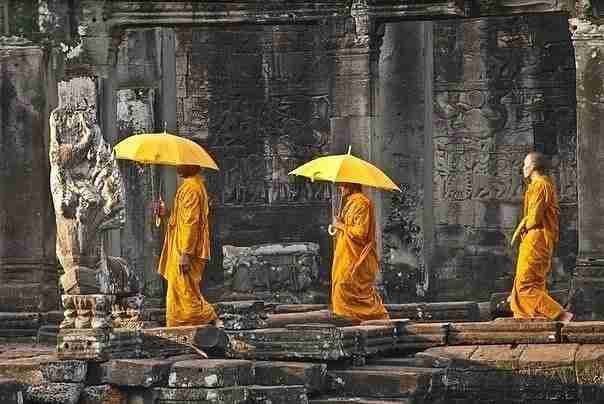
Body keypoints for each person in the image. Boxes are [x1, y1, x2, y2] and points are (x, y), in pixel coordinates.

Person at [509, 152, 573, 322]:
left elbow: (534, 219)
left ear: (533, 167)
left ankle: (560, 314)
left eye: (525, 164)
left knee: (524, 284)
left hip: (537, 238)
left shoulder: (540, 185)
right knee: (533, 283)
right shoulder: (541, 185)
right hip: (537, 239)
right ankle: (531, 319)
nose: (523, 168)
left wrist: (521, 226)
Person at [156, 164, 219, 327]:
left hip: (185, 248)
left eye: (182, 164)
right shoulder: (191, 186)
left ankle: (210, 318)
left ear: (191, 166)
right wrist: (166, 213)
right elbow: (181, 218)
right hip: (182, 244)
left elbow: (191, 222)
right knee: (180, 292)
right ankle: (181, 328)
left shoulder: (191, 188)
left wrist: (185, 253)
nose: (178, 166)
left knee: (186, 293)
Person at [330, 182, 389, 322]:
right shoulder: (350, 203)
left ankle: (376, 320)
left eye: (343, 185)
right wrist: (341, 223)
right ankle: (348, 325)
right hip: (346, 256)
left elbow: (360, 233)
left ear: (351, 185)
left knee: (347, 289)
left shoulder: (362, 203)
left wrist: (341, 225)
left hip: (356, 259)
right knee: (341, 288)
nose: (340, 188)